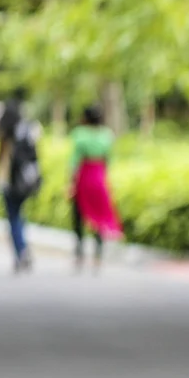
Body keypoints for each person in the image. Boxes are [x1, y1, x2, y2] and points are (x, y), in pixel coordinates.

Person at [68, 105, 123, 274]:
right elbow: (108, 160)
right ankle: (98, 255)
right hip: (99, 177)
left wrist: (70, 183)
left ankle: (79, 252)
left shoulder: (80, 135)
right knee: (99, 216)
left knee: (78, 215)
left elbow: (74, 161)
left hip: (84, 177)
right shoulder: (107, 135)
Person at [0, 86, 34, 274]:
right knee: (20, 215)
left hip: (9, 181)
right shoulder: (26, 130)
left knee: (13, 218)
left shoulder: (4, 135)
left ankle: (21, 251)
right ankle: (23, 248)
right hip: (25, 180)